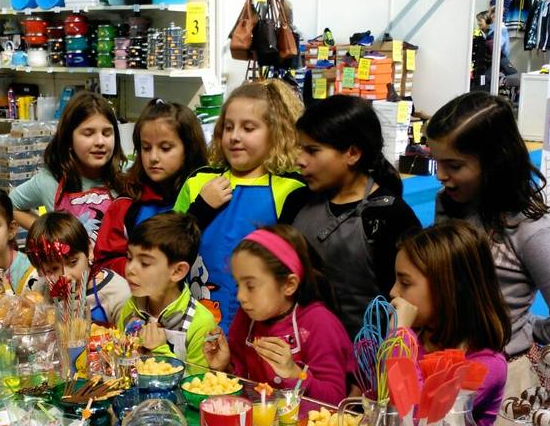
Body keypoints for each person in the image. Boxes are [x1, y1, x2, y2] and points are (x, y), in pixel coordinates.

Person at [427, 92, 550, 398]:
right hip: (443, 363)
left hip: (504, 377)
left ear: (494, 162)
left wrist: (524, 327)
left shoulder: (531, 234)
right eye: (436, 161)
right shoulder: (448, 204)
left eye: (453, 165)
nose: (440, 176)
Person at [282, 94, 421, 336]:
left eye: (312, 150)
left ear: (352, 153)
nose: (300, 160)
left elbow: (409, 301)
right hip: (300, 350)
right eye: (300, 148)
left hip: (367, 359)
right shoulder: (297, 202)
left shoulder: (390, 216)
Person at [174, 80, 306, 332]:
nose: (235, 137)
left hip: (260, 328)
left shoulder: (290, 189)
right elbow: (167, 244)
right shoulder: (199, 181)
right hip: (195, 321)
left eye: (248, 128)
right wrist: (201, 208)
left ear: (276, 132)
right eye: (228, 127)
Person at [203, 225, 352, 406]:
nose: (240, 296)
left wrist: (294, 373)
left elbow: (337, 401)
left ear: (289, 285)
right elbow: (241, 382)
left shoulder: (320, 324)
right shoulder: (246, 317)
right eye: (237, 285)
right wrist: (225, 367)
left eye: (250, 286)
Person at [390, 221, 511, 426]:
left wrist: (399, 339)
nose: (393, 291)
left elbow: (420, 421)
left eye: (405, 283)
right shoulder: (417, 337)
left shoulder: (486, 365)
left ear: (447, 288)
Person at [94, 99, 208, 275]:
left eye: (165, 148)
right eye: (146, 148)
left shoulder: (207, 197)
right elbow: (104, 263)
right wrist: (142, 269)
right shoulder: (126, 205)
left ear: (189, 149)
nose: (153, 157)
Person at [10, 91, 125, 243]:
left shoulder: (127, 174)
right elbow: (10, 205)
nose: (100, 141)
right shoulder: (50, 181)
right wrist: (49, 231)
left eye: (107, 133)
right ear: (69, 140)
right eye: (88, 133)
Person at [115, 211, 217, 370]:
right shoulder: (130, 307)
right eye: (129, 258)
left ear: (177, 271)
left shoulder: (201, 323)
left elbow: (198, 388)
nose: (130, 269)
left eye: (145, 263)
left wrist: (160, 350)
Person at [26, 211, 130, 327]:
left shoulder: (117, 294)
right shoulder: (41, 291)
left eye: (73, 262)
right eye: (54, 269)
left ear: (89, 250)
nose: (66, 277)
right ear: (40, 271)